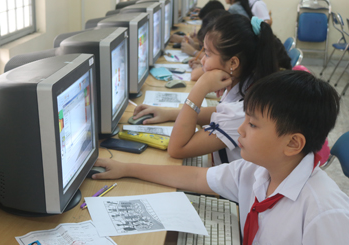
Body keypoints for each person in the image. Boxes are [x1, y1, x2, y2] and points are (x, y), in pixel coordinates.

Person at [92, 70, 349, 244]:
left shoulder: (324, 214)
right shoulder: (256, 171)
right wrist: (126, 168)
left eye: (253, 125)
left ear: (293, 143)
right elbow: (194, 176)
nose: (240, 130)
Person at [133, 15, 279, 165]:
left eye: (208, 54)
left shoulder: (243, 112)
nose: (202, 60)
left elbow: (177, 149)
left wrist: (200, 88)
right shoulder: (246, 84)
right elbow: (219, 111)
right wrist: (168, 113)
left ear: (233, 63)